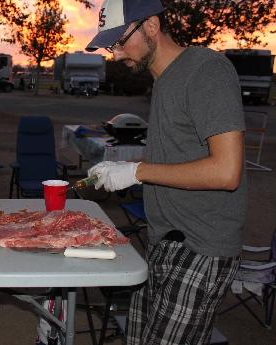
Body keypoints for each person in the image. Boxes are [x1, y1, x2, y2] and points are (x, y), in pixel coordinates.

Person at [85, 1, 246, 344]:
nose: (114, 55)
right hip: (164, 240)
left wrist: (137, 171)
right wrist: (125, 166)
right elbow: (181, 154)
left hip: (201, 246)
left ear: (152, 26)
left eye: (119, 42)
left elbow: (226, 171)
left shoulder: (207, 71)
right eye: (109, 46)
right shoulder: (163, 81)